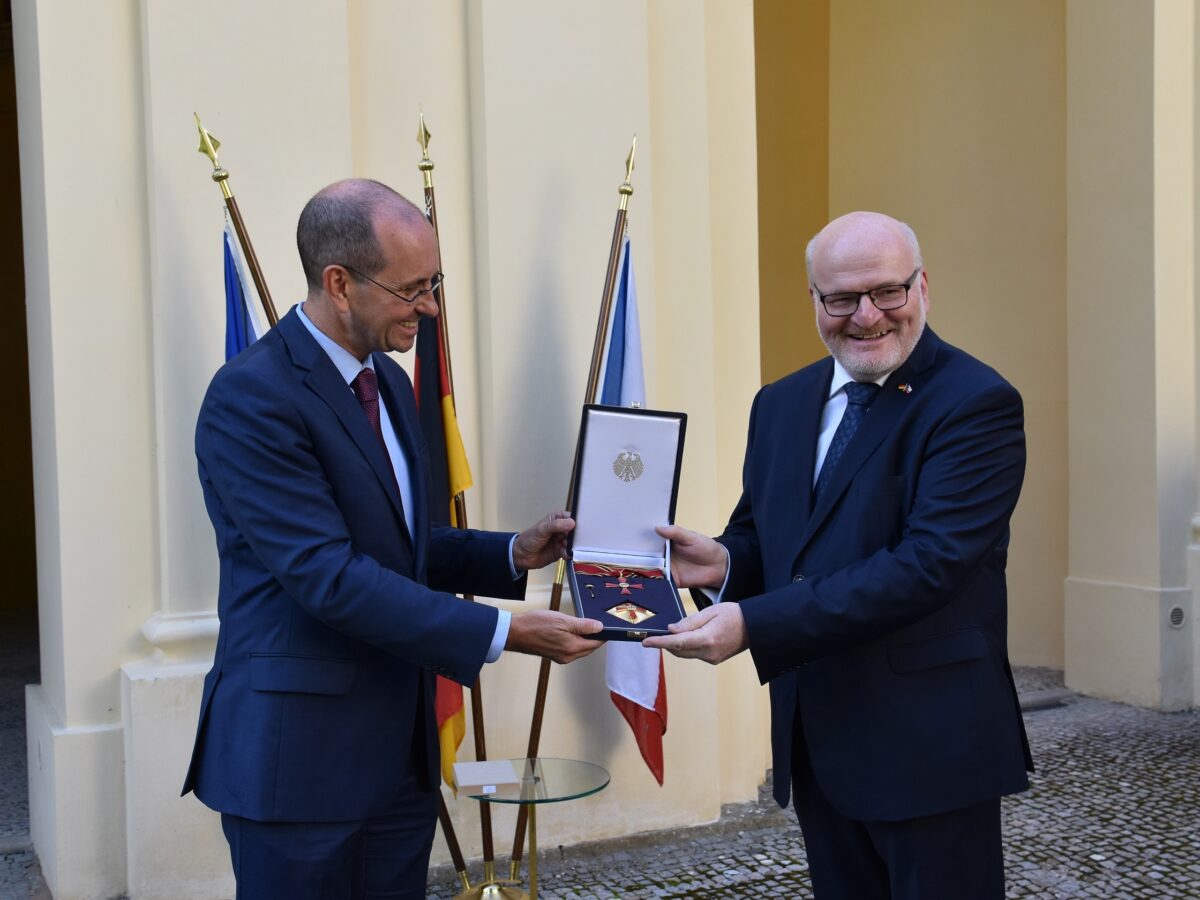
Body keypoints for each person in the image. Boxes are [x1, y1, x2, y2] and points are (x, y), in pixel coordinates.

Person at [182, 178, 603, 899]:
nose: (431, 307)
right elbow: (327, 575)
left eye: (434, 282)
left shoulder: (389, 380)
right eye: (412, 289)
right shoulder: (251, 398)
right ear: (339, 283)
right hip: (299, 768)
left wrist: (509, 553)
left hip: (397, 764)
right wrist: (507, 632)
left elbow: (399, 546)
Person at [646, 211, 1032, 899]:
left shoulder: (977, 404)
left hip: (930, 747)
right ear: (815, 301)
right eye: (842, 299)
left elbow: (925, 567)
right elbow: (770, 538)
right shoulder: (780, 404)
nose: (868, 317)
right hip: (819, 738)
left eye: (888, 292)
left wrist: (755, 624)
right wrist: (722, 564)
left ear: (923, 288)